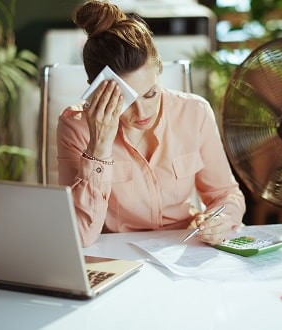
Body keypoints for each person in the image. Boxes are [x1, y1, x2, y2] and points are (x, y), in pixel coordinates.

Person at [57, 0, 246, 247]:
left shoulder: (194, 112)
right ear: (96, 92)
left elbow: (226, 194)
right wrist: (99, 149)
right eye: (126, 101)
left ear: (159, 72)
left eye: (150, 94)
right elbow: (80, 236)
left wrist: (220, 218)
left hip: (184, 249)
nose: (143, 112)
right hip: (119, 256)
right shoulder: (75, 127)